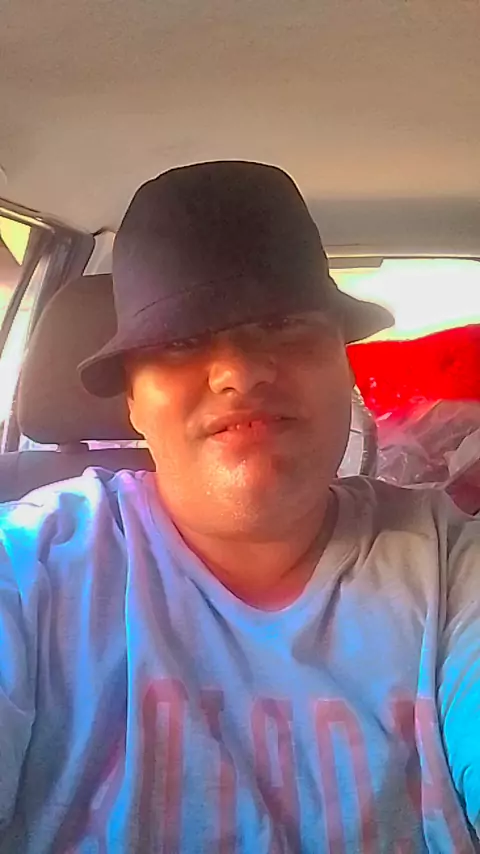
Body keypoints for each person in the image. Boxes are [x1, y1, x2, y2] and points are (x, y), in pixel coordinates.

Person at [0, 161, 479, 854]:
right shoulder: (30, 568)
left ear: (343, 365)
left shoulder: (451, 566)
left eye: (283, 324)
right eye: (181, 341)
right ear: (132, 399)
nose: (241, 372)